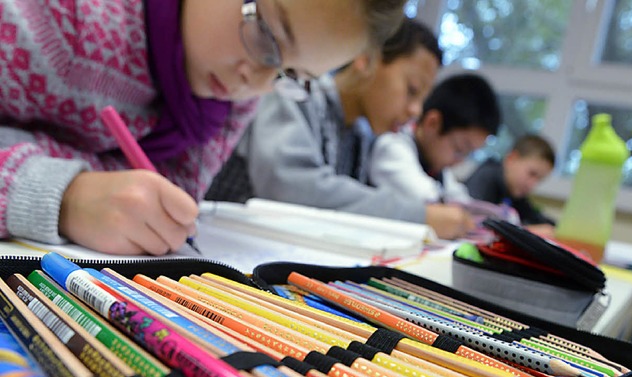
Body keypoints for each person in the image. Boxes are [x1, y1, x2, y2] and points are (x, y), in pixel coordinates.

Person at [0, 0, 407, 256]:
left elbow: (170, 194)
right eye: (268, 34)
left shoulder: (230, 100)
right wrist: (66, 197)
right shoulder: (53, 19)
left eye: (289, 73)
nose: (257, 81)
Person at [209, 17, 475, 240]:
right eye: (411, 90)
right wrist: (420, 216)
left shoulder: (361, 137)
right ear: (366, 58)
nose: (415, 110)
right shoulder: (294, 90)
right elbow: (290, 189)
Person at [368, 72, 501, 207]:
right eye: (459, 150)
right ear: (433, 123)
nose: (459, 161)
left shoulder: (437, 167)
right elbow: (424, 197)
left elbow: (462, 201)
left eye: (469, 154)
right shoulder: (392, 146)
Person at [464, 133, 556, 235]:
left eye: (540, 180)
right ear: (511, 159)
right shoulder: (485, 178)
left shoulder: (514, 192)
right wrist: (527, 232)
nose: (532, 185)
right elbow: (472, 224)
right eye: (532, 174)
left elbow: (537, 219)